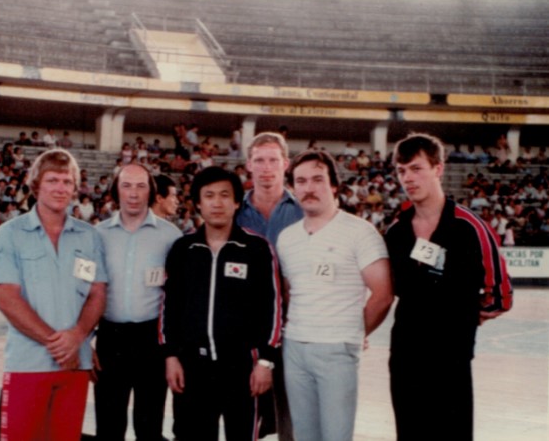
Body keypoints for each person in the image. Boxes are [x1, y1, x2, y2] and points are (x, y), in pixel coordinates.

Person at [384, 133, 513, 441]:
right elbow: (391, 288)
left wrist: (463, 315)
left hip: (451, 360)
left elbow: (500, 296)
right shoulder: (396, 232)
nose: (408, 178)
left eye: (416, 168)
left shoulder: (470, 227)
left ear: (438, 169)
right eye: (402, 171)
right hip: (405, 357)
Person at [276, 150, 393, 441]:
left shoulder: (360, 232)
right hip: (295, 348)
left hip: (337, 350)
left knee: (336, 436)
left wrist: (356, 331)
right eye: (301, 181)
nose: (309, 188)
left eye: (318, 179)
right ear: (292, 188)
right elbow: (289, 293)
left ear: (333, 185)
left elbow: (383, 293)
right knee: (304, 436)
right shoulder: (287, 238)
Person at [0, 149, 107, 441]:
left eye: (67, 182)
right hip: (28, 364)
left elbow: (97, 293)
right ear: (36, 185)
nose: (60, 188)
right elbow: (7, 298)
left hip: (75, 367)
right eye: (52, 180)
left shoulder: (89, 236)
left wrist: (77, 336)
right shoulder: (10, 233)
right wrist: (59, 345)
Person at [160, 166, 282, 441]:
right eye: (209, 195)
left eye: (225, 195)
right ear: (198, 203)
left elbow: (272, 309)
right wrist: (171, 356)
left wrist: (265, 361)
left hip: (243, 370)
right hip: (192, 368)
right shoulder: (183, 249)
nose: (217, 203)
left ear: (237, 202)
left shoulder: (256, 248)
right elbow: (169, 307)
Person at [94, 163, 181, 441]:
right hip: (111, 339)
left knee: (149, 426)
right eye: (126, 186)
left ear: (151, 192)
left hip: (151, 339)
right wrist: (86, 340)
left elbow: (178, 297)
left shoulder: (170, 236)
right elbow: (85, 291)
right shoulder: (97, 235)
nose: (133, 193)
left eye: (141, 186)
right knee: (108, 426)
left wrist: (173, 350)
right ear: (116, 191)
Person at [236, 131, 303, 440]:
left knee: (291, 418)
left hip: (295, 325)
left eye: (273, 160)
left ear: (285, 164)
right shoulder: (234, 212)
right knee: (245, 416)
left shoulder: (303, 210)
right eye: (259, 160)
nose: (266, 168)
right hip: (245, 328)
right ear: (249, 164)